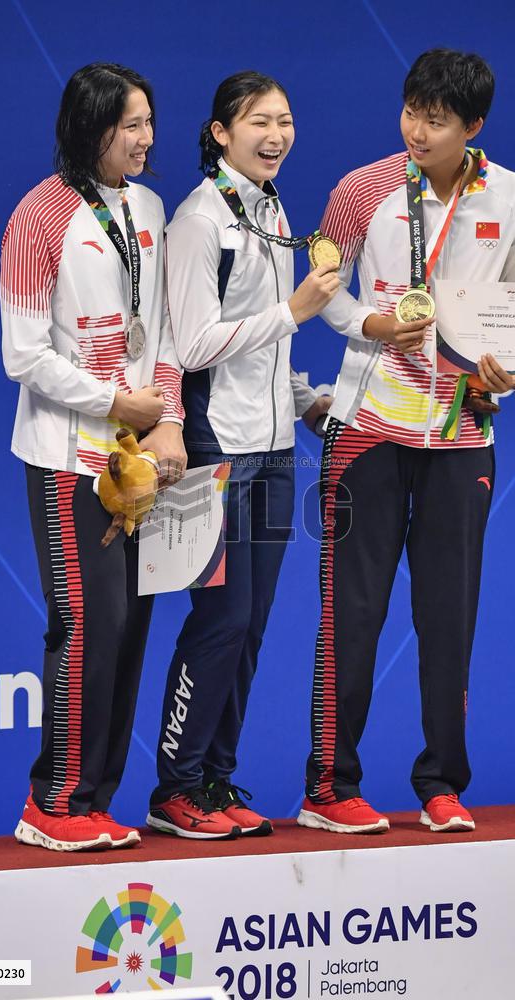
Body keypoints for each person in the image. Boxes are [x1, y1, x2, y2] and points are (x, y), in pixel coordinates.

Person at [298, 48, 515, 836]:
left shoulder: (514, 195)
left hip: (462, 432)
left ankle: (441, 784)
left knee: (449, 616)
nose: (417, 131)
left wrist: (511, 369)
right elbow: (320, 297)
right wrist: (373, 323)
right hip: (369, 428)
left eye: (436, 121)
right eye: (411, 112)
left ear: (474, 127)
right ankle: (330, 787)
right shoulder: (360, 191)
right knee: (353, 614)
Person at [147, 70, 339, 839]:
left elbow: (265, 345)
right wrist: (293, 311)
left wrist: (304, 400)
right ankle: (175, 789)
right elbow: (193, 346)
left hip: (275, 448)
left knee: (253, 622)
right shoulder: (200, 221)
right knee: (221, 620)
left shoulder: (270, 208)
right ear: (221, 132)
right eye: (259, 121)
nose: (276, 135)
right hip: (214, 446)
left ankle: (216, 782)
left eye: (286, 120)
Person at [0, 63, 186, 852]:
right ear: (90, 127)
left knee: (129, 627)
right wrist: (117, 405)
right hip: (67, 454)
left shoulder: (148, 205)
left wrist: (166, 419)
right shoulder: (38, 218)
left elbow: (166, 331)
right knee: (86, 620)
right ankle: (52, 804)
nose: (145, 138)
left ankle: (94, 801)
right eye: (129, 125)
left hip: (138, 456)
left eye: (149, 121)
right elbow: (23, 354)